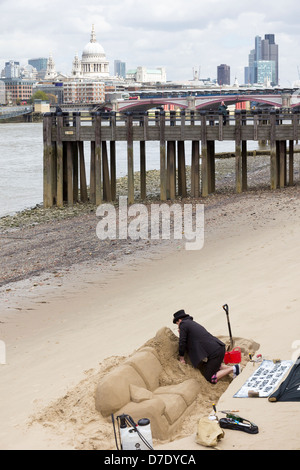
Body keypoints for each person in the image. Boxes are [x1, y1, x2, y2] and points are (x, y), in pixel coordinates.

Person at [173, 309, 240, 384]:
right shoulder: (191, 323)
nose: (178, 326)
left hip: (215, 352)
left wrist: (181, 358)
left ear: (179, 320)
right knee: (215, 366)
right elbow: (193, 338)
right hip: (219, 347)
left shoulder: (183, 324)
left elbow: (182, 341)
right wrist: (182, 332)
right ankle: (236, 369)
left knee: (209, 378)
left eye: (177, 323)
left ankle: (233, 369)